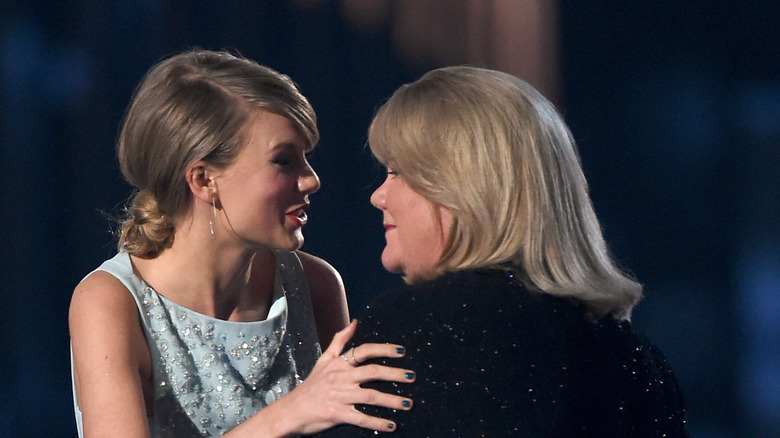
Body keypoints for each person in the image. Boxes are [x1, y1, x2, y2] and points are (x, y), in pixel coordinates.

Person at [316, 66, 689, 437]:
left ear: (462, 188)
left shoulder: (402, 334)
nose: (378, 195)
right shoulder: (639, 361)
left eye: (397, 172)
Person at [68, 49, 415, 438]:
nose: (312, 179)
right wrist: (290, 414)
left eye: (307, 157)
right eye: (284, 161)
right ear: (203, 180)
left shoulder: (315, 285)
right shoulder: (110, 301)